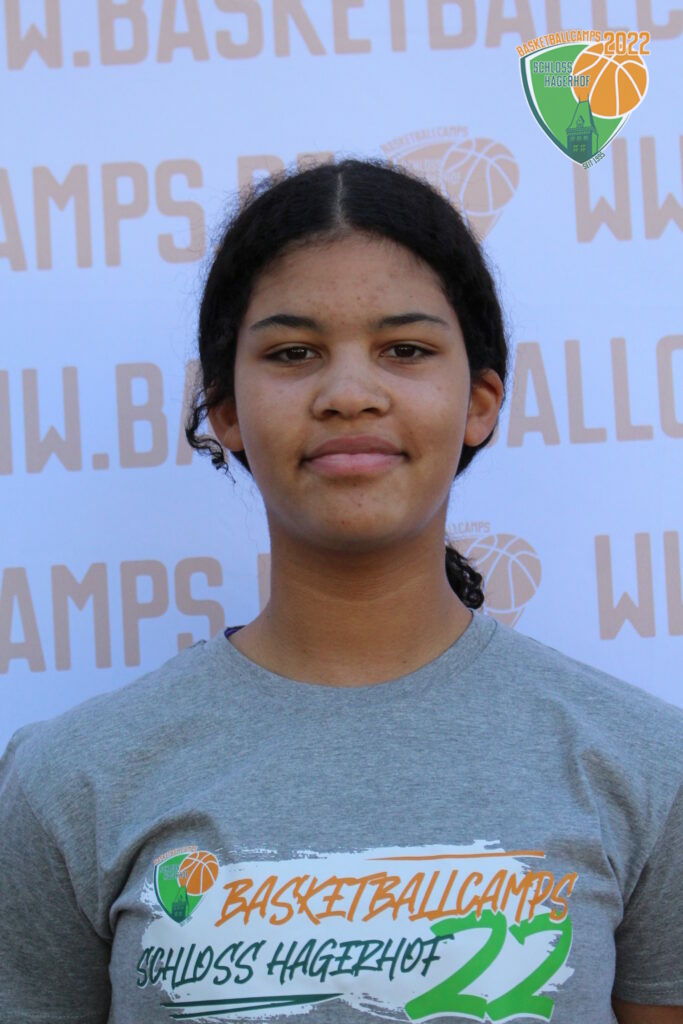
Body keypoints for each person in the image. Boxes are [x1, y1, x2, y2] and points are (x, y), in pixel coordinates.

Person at [0, 158, 680, 1024]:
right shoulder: (70, 779)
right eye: (293, 353)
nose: (349, 394)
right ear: (224, 409)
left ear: (479, 402)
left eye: (405, 350)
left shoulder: (644, 764)